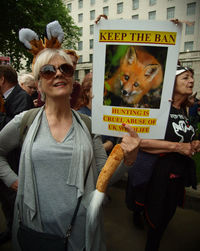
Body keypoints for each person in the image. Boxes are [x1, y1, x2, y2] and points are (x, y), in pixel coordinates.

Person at [0, 47, 140, 251]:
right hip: (35, 227)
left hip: (79, 229)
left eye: (65, 68)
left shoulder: (89, 125)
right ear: (39, 83)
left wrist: (129, 158)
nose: (58, 73)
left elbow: (103, 177)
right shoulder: (25, 121)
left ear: (72, 79)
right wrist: (12, 179)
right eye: (48, 70)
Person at [126, 64, 200, 250]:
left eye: (192, 77)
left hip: (176, 176)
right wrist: (177, 147)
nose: (191, 80)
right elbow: (140, 142)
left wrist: (193, 142)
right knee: (155, 218)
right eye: (185, 77)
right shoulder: (157, 107)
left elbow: (181, 135)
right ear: (171, 83)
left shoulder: (183, 109)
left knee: (165, 215)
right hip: (156, 175)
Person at [0, 64, 34, 245]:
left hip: (14, 162)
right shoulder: (5, 98)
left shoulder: (21, 98)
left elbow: (14, 130)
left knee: (14, 202)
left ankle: (17, 234)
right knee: (5, 200)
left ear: (2, 79)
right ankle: (10, 229)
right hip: (4, 160)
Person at [77, 72, 118, 155]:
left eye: (102, 89)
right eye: (96, 88)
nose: (101, 92)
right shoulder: (79, 115)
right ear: (87, 92)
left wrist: (99, 148)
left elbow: (111, 140)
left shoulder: (105, 113)